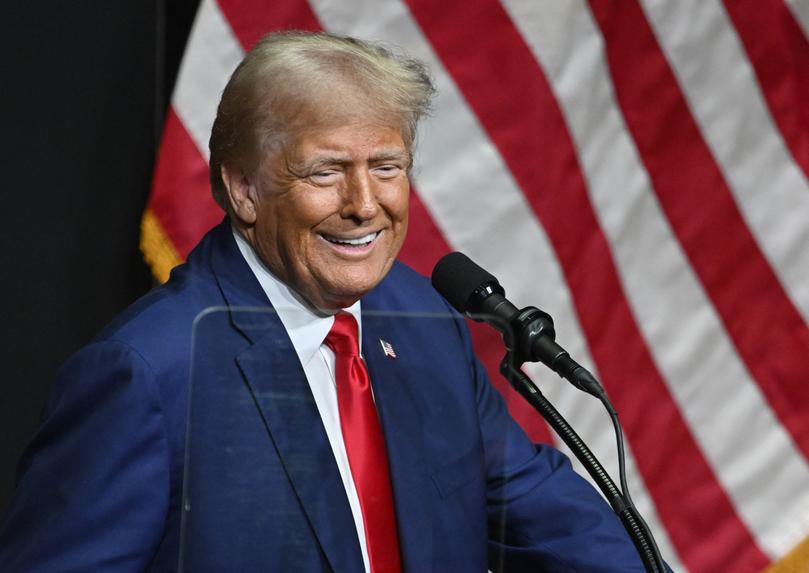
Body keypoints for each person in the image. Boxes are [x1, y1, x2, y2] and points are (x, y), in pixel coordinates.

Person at [0, 31, 655, 571]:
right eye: (326, 171)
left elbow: (537, 507)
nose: (365, 205)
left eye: (386, 167)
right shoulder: (146, 373)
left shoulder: (424, 322)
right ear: (244, 188)